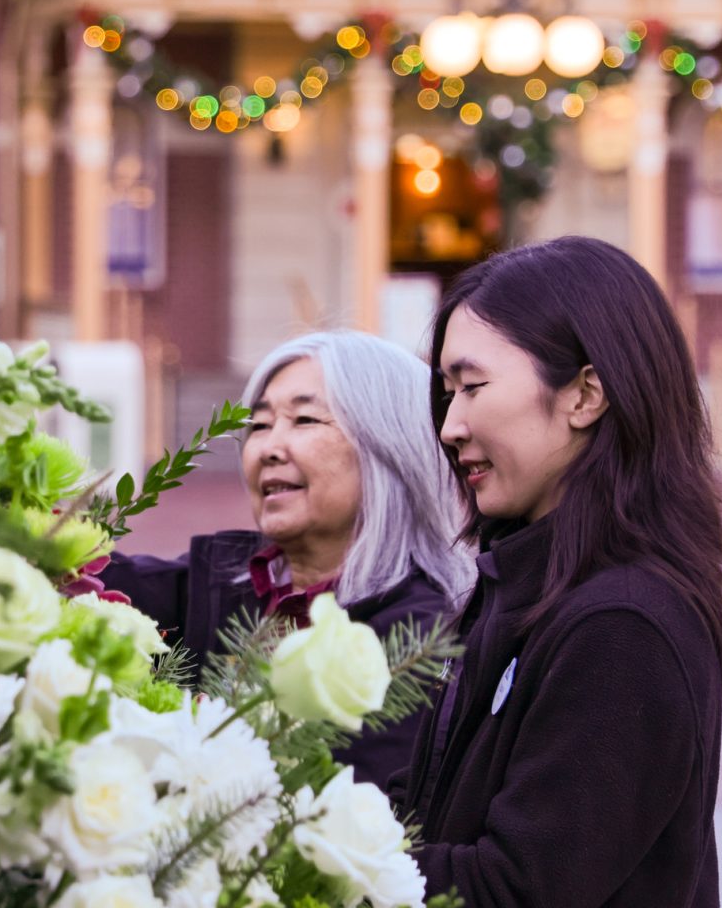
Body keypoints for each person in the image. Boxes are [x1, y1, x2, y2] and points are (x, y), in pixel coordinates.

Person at [396, 236, 722, 908]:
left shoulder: (623, 625)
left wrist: (315, 850)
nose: (449, 426)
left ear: (585, 394)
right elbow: (439, 818)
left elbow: (513, 901)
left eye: (472, 386)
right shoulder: (520, 585)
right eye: (446, 394)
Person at [102, 330, 473, 790]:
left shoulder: (420, 633)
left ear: (390, 447)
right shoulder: (221, 579)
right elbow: (92, 585)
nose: (268, 448)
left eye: (304, 420)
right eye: (258, 425)